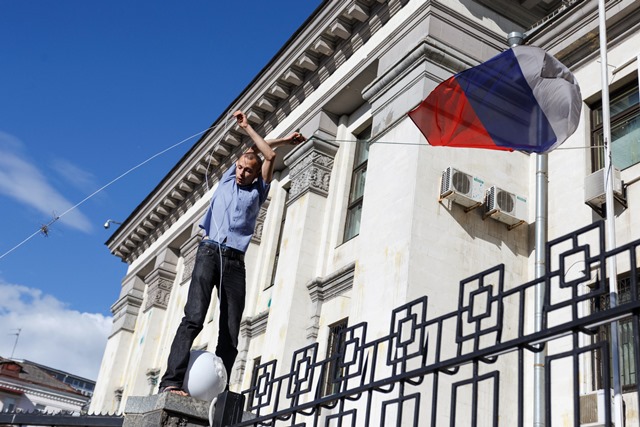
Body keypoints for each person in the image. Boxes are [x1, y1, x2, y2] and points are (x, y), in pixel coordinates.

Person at [158, 110, 305, 396]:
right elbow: (254, 149)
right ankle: (170, 382)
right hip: (208, 252)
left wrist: (267, 134)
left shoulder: (258, 191)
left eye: (248, 170)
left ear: (256, 174)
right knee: (194, 317)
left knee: (230, 330)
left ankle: (219, 391)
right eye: (239, 167)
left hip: (235, 262)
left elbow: (268, 156)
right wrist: (268, 134)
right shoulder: (226, 181)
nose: (242, 172)